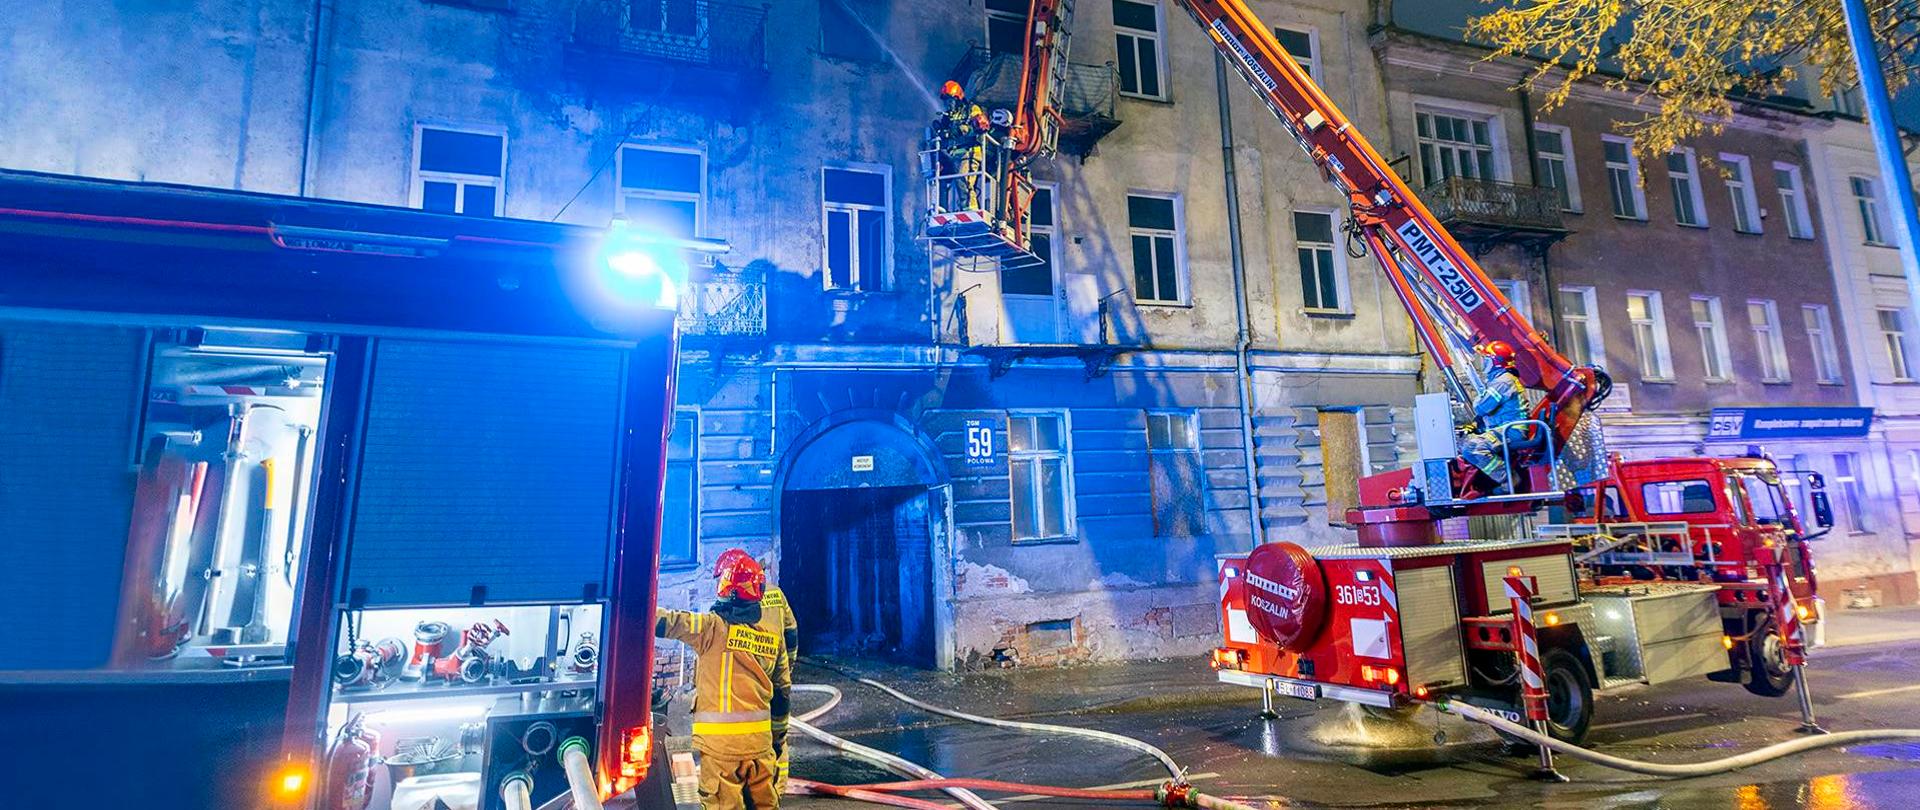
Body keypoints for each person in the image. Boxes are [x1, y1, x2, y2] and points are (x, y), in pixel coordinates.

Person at [656, 550, 791, 810]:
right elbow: (783, 690)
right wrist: (777, 739)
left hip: (721, 754)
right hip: (760, 750)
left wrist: (629, 604)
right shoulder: (771, 637)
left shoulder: (710, 628)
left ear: (726, 588)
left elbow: (669, 622)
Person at [712, 549, 799, 794]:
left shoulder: (727, 607)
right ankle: (774, 792)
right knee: (776, 741)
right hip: (773, 676)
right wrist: (788, 666)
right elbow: (791, 633)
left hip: (742, 687)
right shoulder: (776, 594)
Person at [1459, 340, 1529, 493]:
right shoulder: (1502, 380)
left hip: (1511, 431)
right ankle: (1485, 483)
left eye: (1487, 359)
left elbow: (1481, 407)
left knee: (1472, 447)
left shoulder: (1502, 381)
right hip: (1505, 429)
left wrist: (1479, 398)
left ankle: (1508, 479)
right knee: (1466, 442)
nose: (1484, 362)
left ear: (1496, 362)